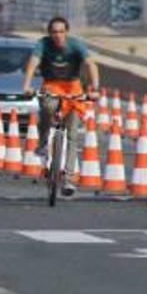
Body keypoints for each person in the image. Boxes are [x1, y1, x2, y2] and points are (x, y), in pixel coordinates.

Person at [20, 16, 101, 195]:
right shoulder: (43, 44)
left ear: (67, 32)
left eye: (61, 32)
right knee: (47, 107)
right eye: (54, 32)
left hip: (73, 88)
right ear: (50, 33)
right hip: (51, 86)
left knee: (72, 135)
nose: (58, 35)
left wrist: (95, 87)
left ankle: (69, 179)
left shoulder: (75, 45)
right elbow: (33, 63)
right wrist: (26, 85)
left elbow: (90, 64)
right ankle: (43, 142)